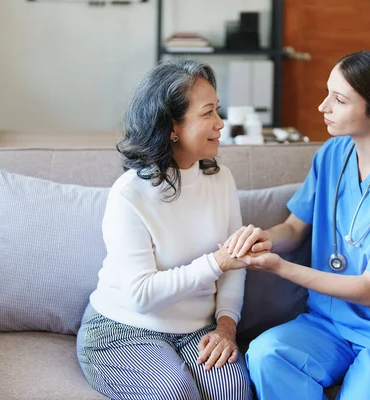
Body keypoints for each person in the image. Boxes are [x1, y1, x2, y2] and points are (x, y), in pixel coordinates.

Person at [223, 50, 370, 399]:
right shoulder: (332, 154)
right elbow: (293, 229)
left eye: (339, 99)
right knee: (267, 354)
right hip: (329, 324)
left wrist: (281, 268)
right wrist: (263, 239)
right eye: (327, 92)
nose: (323, 107)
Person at [76, 59, 254, 400]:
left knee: (233, 391)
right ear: (172, 125)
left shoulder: (221, 180)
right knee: (173, 393)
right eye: (208, 113)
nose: (221, 123)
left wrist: (226, 327)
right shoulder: (130, 193)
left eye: (218, 110)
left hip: (196, 330)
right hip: (122, 328)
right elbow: (141, 296)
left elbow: (236, 267)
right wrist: (216, 262)